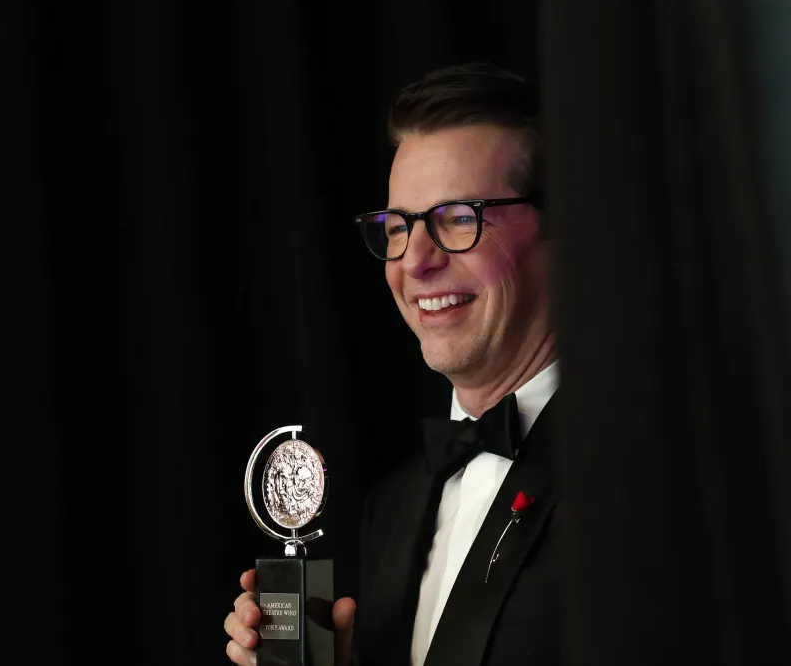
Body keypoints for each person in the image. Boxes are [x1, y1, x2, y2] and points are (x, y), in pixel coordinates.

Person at [224, 63, 561, 666]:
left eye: (458, 217)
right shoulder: (394, 504)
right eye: (399, 226)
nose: (415, 261)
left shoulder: (645, 475)